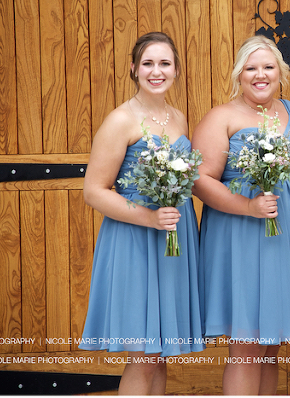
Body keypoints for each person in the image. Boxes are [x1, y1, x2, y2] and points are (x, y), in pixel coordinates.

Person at [193, 35, 290, 395]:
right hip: (242, 235)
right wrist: (248, 207)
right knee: (247, 344)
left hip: (289, 237)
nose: (260, 75)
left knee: (271, 343)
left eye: (268, 67)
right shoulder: (221, 117)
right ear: (239, 75)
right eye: (251, 68)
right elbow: (200, 179)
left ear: (281, 73)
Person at [79, 32, 204, 395]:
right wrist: (149, 218)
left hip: (173, 239)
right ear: (134, 69)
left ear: (176, 70)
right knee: (144, 355)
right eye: (148, 63)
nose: (156, 71)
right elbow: (94, 191)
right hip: (135, 238)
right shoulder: (120, 121)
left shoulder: (178, 118)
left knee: (159, 350)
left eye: (164, 63)